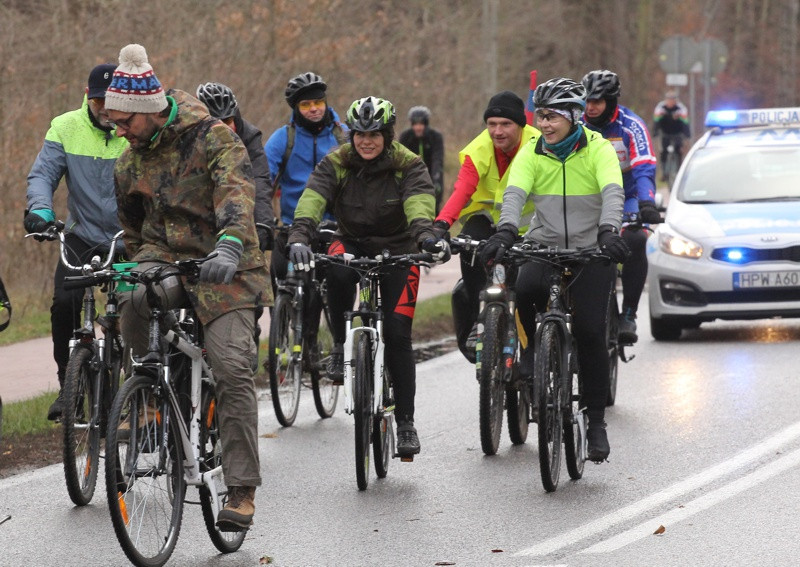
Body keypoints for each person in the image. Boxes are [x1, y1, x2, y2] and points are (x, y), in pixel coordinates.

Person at [106, 44, 268, 533]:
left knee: (232, 367)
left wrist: (231, 244)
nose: (119, 130)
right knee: (133, 294)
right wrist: (136, 265)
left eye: (124, 121)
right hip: (167, 258)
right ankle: (148, 393)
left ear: (150, 110)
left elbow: (237, 193)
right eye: (113, 122)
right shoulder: (128, 162)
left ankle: (240, 490)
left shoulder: (214, 137)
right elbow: (133, 229)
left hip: (227, 265)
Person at [286, 96, 449, 457]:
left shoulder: (408, 164)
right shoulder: (336, 162)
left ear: (387, 135)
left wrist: (425, 238)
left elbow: (419, 205)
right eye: (360, 134)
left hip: (400, 247)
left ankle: (405, 423)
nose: (366, 141)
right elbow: (313, 199)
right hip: (352, 241)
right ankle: (340, 346)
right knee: (335, 267)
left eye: (374, 134)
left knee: (398, 334)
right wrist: (298, 236)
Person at [480, 77, 629, 462]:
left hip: (591, 248)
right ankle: (531, 352)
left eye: (552, 117)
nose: (544, 124)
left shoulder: (598, 148)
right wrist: (506, 230)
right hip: (544, 244)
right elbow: (515, 194)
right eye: (541, 116)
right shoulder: (532, 152)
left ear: (574, 116)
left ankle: (595, 422)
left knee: (591, 332)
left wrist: (609, 230)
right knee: (526, 288)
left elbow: (613, 192)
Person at [24, 62, 128, 421]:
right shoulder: (65, 126)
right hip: (82, 236)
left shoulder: (134, 130)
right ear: (87, 96)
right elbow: (43, 175)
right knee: (65, 303)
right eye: (99, 102)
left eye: (113, 102)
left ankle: (141, 388)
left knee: (137, 305)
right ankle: (68, 387)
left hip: (129, 239)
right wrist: (41, 211)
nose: (107, 110)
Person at [432, 91, 539, 362]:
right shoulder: (478, 149)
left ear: (520, 125)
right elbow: (462, 190)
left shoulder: (538, 145)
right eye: (492, 124)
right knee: (468, 248)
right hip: (487, 221)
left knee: (530, 282)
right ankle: (479, 319)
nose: (497, 131)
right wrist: (441, 224)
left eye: (505, 124)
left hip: (528, 226)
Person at [581, 69, 660, 344]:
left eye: (597, 101)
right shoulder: (576, 124)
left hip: (628, 195)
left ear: (611, 101)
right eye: (586, 101)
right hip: (589, 196)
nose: (590, 107)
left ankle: (628, 313)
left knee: (635, 240)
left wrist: (647, 202)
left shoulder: (631, 125)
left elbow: (644, 168)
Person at [264, 72, 347, 285]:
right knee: (278, 275)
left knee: (341, 284)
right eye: (305, 104)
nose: (313, 108)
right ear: (295, 108)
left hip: (336, 226)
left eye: (318, 102)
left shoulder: (344, 136)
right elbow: (263, 180)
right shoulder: (283, 138)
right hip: (292, 226)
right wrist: (262, 216)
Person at [196, 82, 275, 253]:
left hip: (240, 215)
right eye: (217, 121)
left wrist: (263, 223)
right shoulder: (190, 138)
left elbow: (259, 180)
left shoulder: (249, 136)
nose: (224, 128)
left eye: (228, 120)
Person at [398, 106, 445, 213]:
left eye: (421, 124)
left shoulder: (435, 137)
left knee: (433, 209)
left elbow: (437, 159)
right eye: (415, 124)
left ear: (426, 124)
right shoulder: (406, 137)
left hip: (432, 176)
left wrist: (436, 179)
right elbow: (401, 160)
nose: (418, 127)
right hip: (412, 178)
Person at [653, 89, 691, 177]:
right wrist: (655, 132)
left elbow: (685, 123)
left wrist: (687, 134)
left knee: (678, 151)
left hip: (677, 133)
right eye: (669, 99)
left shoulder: (681, 108)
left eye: (673, 99)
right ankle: (664, 172)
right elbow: (656, 122)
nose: (671, 102)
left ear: (676, 100)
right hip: (665, 133)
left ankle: (678, 172)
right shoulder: (660, 108)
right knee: (663, 152)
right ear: (666, 100)